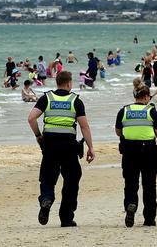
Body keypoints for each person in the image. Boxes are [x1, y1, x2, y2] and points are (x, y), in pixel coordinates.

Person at [27, 71, 95, 227]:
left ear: (56, 82)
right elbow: (84, 126)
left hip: (49, 144)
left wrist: (38, 135)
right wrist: (91, 147)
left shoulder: (47, 98)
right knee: (72, 178)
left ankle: (46, 199)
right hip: (68, 145)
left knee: (47, 176)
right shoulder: (75, 101)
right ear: (69, 83)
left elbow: (31, 118)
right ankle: (66, 217)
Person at [116, 81, 157, 227]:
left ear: (135, 96)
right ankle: (149, 218)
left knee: (130, 184)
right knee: (149, 185)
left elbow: (118, 131)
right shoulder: (152, 112)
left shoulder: (124, 111)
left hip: (129, 152)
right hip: (148, 152)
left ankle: (131, 205)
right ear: (147, 97)